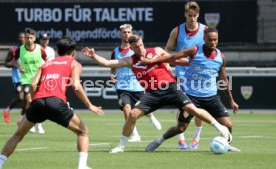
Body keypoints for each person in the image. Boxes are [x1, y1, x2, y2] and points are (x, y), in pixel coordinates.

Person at [82, 34, 232, 154]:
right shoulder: (130, 61)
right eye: (136, 47)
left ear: (142, 43)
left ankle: (221, 128)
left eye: (141, 45)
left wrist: (194, 63)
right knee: (133, 114)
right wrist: (94, 56)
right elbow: (108, 63)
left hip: (171, 87)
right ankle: (121, 146)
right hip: (152, 93)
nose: (140, 49)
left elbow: (175, 59)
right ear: (132, 48)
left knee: (192, 109)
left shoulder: (157, 51)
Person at [0, 37, 104, 169]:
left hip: (38, 102)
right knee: (83, 132)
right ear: (74, 53)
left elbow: (33, 85)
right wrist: (89, 105)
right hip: (55, 102)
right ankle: (82, 166)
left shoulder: (46, 64)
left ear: (57, 51)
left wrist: (31, 102)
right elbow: (76, 86)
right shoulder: (74, 63)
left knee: (18, 134)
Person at [142, 27, 240, 152]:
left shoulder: (221, 57)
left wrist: (231, 100)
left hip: (211, 97)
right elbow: (172, 58)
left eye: (215, 40)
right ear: (204, 39)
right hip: (191, 96)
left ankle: (225, 145)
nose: (213, 42)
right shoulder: (194, 50)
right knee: (181, 128)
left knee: (228, 125)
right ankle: (158, 141)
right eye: (210, 40)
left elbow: (224, 79)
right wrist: (151, 61)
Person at [165, 1, 207, 149]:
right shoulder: (176, 31)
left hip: (200, 75)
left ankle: (196, 137)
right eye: (190, 15)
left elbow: (211, 52)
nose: (193, 18)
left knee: (198, 107)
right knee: (181, 106)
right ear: (185, 15)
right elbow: (167, 50)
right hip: (181, 74)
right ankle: (180, 137)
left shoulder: (206, 31)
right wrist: (168, 64)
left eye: (195, 15)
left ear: (198, 15)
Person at [110, 24, 161, 142]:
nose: (126, 34)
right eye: (124, 32)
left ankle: (151, 116)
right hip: (122, 86)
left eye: (128, 32)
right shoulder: (116, 51)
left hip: (137, 84)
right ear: (120, 34)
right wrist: (112, 74)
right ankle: (135, 134)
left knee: (143, 108)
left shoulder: (137, 49)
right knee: (126, 108)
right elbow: (113, 65)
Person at [13, 28, 47, 133]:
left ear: (34, 38)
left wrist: (43, 69)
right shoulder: (20, 49)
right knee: (29, 98)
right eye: (27, 37)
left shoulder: (40, 49)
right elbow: (14, 60)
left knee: (40, 102)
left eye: (31, 38)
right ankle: (30, 121)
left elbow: (46, 60)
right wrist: (19, 67)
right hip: (26, 80)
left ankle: (38, 124)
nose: (28, 39)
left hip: (38, 79)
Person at [3, 32, 25, 124]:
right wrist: (14, 64)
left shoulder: (29, 50)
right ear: (18, 39)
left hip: (27, 78)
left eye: (24, 37)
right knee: (20, 97)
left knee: (28, 99)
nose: (23, 39)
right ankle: (7, 111)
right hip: (17, 79)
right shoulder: (13, 50)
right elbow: (6, 63)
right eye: (21, 37)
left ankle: (21, 119)